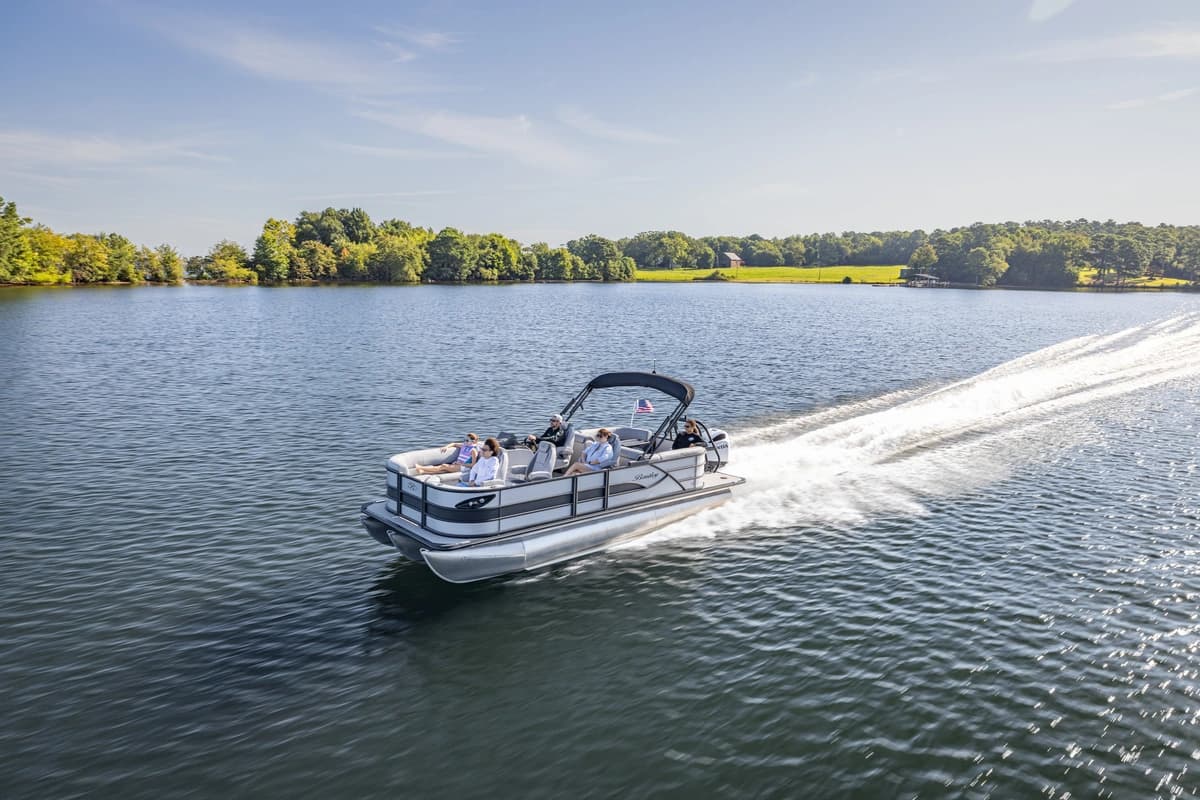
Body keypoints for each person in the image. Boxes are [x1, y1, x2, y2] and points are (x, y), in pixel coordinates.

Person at [413, 433, 480, 475]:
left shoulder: (473, 451)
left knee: (443, 466)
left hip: (464, 467)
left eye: (467, 440)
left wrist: (461, 464)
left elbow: (472, 465)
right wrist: (446, 447)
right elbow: (454, 443)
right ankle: (423, 472)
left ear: (473, 442)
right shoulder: (464, 446)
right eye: (464, 439)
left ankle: (421, 467)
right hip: (458, 464)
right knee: (444, 469)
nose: (465, 441)